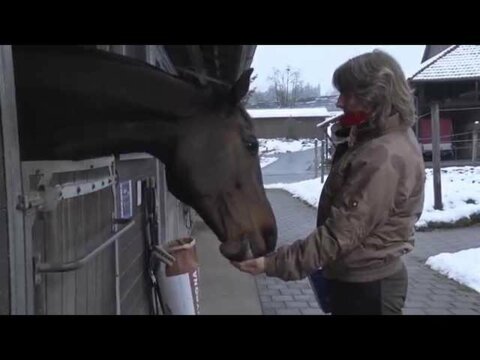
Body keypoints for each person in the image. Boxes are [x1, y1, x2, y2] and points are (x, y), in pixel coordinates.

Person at [232, 50, 426, 315]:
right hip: (359, 281)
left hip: (368, 290)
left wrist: (271, 264)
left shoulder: (383, 156)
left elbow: (339, 234)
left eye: (347, 94)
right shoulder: (377, 139)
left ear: (374, 97)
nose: (339, 103)